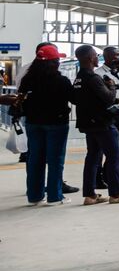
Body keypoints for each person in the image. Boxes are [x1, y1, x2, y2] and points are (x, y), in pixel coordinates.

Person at [72, 45, 119, 206]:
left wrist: (117, 100)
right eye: (95, 55)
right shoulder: (93, 77)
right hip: (102, 123)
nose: (97, 58)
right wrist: (112, 87)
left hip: (88, 123)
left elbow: (79, 99)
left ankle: (90, 195)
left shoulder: (79, 78)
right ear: (90, 58)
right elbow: (107, 98)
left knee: (92, 157)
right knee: (114, 156)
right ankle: (116, 194)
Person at [20, 44, 73, 206]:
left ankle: (35, 196)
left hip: (33, 123)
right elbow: (74, 98)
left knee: (35, 159)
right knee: (55, 160)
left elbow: (21, 98)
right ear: (54, 62)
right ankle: (54, 196)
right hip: (57, 124)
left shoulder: (27, 80)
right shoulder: (61, 81)